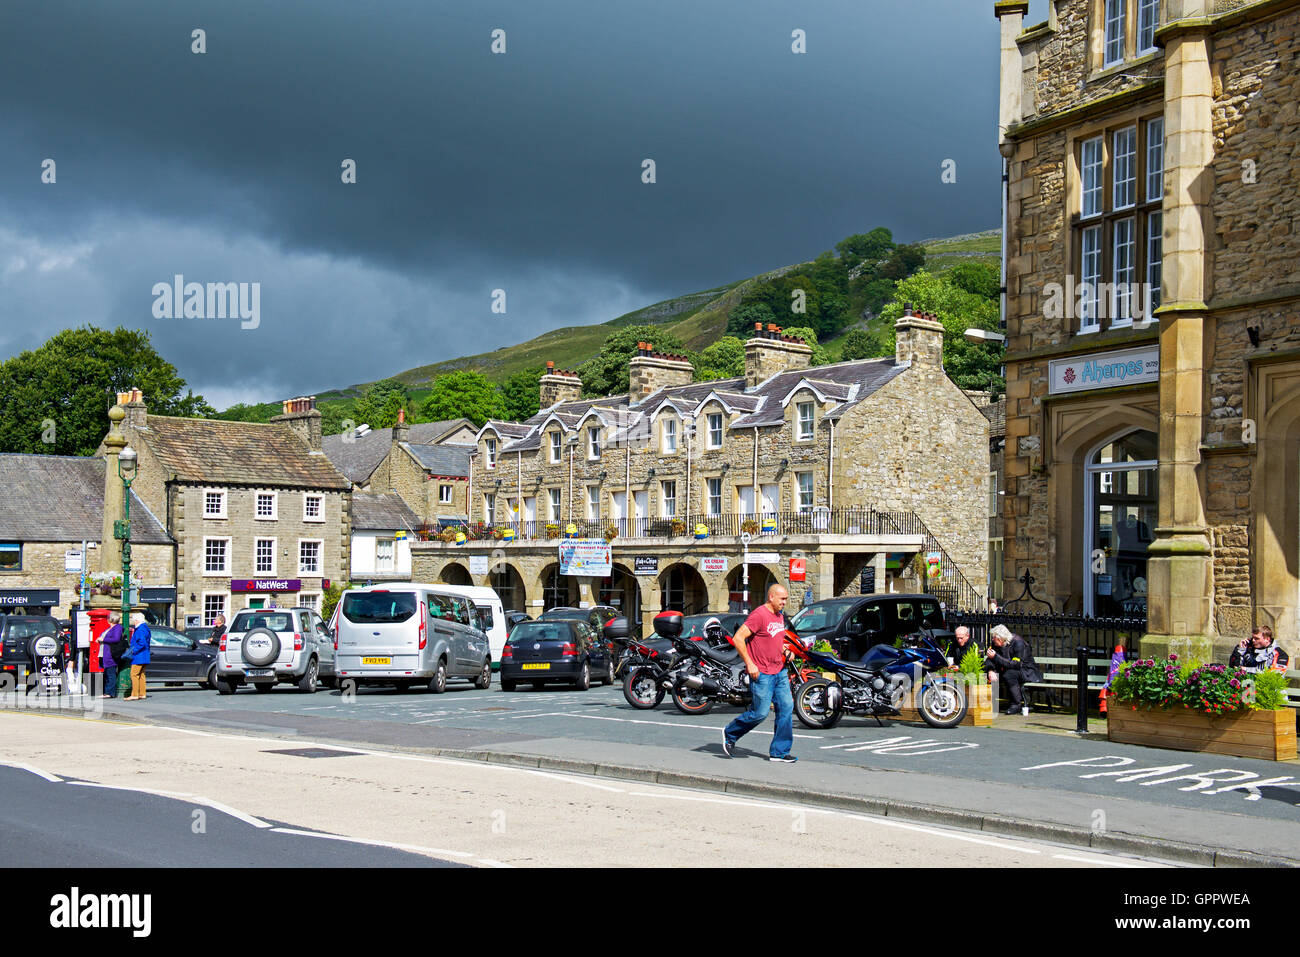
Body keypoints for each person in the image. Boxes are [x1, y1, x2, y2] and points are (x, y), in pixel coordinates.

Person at [722, 584, 797, 763]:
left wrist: (787, 651)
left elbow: (775, 639)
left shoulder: (779, 616)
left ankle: (779, 752)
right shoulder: (759, 615)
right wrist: (750, 664)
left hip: (779, 670)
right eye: (782, 599)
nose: (784, 602)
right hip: (762, 672)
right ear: (771, 597)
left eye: (785, 599)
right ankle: (730, 733)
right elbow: (738, 638)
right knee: (760, 713)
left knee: (786, 707)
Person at [984, 623, 1042, 715]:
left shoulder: (1018, 643)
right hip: (1005, 669)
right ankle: (986, 704)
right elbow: (989, 660)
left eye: (994, 638)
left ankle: (1016, 704)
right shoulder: (996, 644)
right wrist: (990, 670)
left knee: (1010, 674)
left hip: (1026, 671)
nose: (992, 640)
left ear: (1001, 639)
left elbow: (1016, 665)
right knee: (984, 673)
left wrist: (995, 657)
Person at [125, 612, 151, 701]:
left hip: (139, 656)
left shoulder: (140, 630)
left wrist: (133, 650)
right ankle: (142, 693)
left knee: (134, 674)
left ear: (137, 620)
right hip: (145, 655)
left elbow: (142, 643)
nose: (133, 622)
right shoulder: (145, 628)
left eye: (134, 620)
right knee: (141, 675)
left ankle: (135, 694)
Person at [99, 613, 125, 699]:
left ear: (111, 619)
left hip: (111, 653)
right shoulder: (111, 628)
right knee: (108, 673)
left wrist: (103, 639)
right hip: (106, 653)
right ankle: (107, 692)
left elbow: (116, 639)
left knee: (111, 673)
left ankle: (110, 693)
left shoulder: (117, 628)